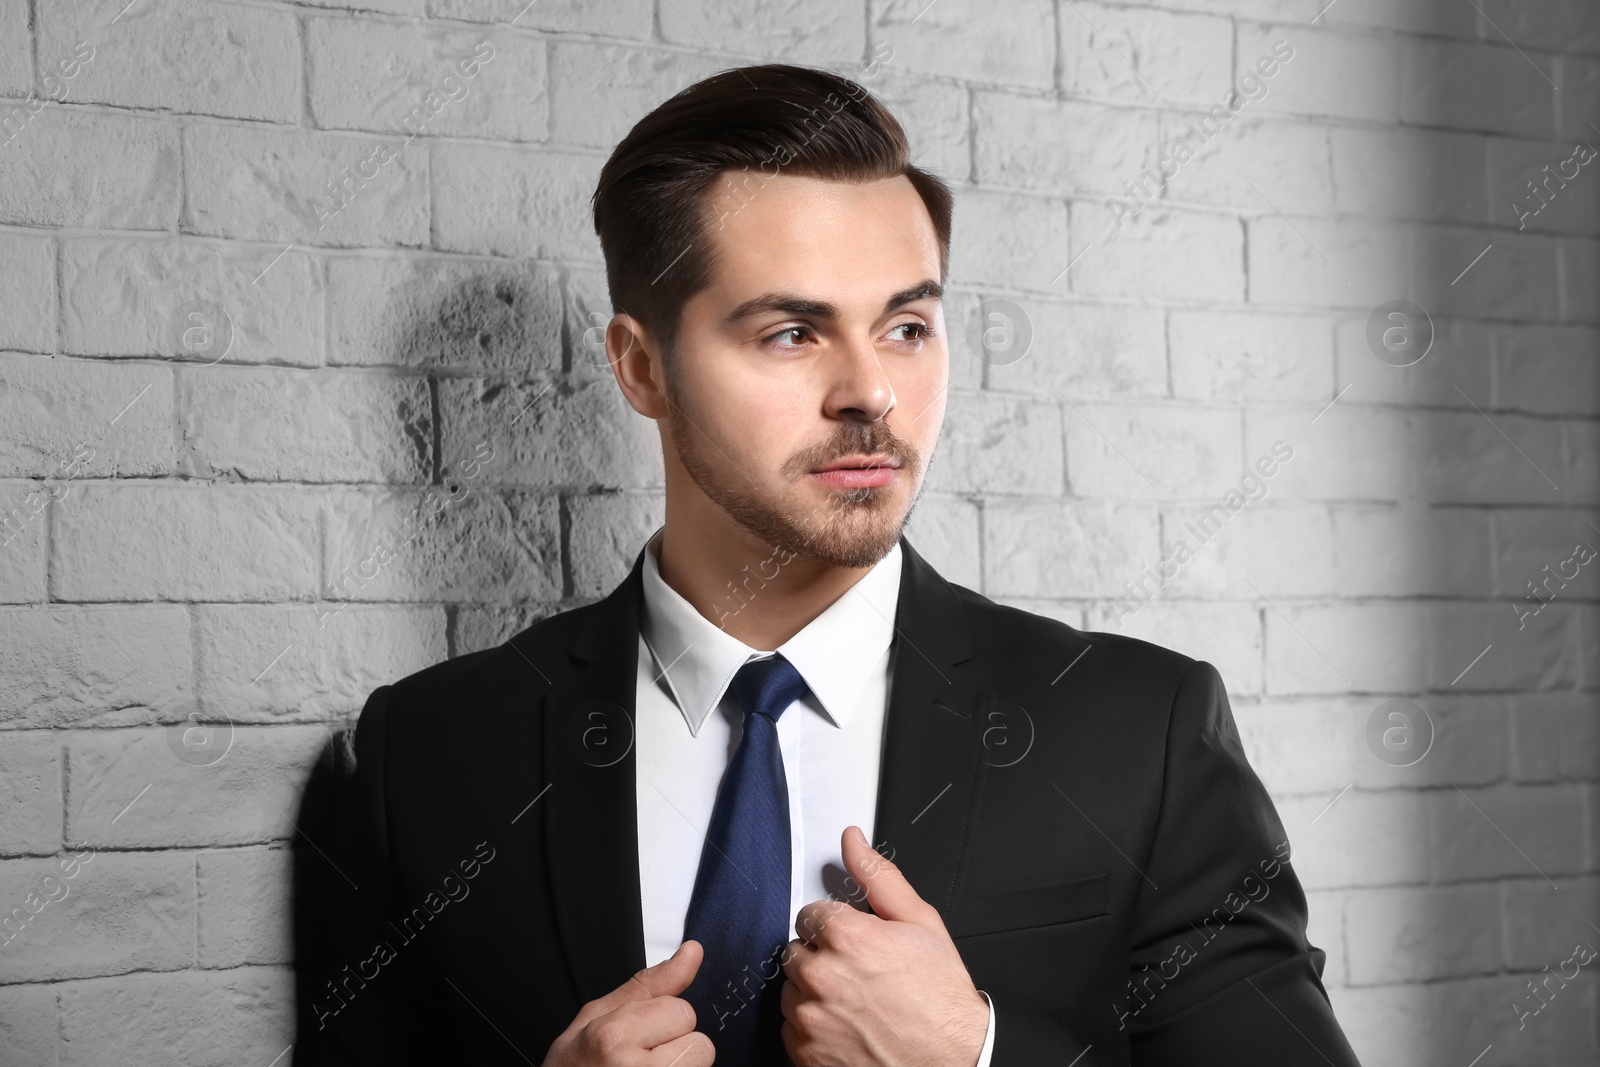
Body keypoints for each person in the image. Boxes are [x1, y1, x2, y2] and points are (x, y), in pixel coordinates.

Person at [303, 62, 1361, 1067]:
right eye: (791, 334)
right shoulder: (424, 764)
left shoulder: (1139, 734)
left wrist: (977, 1052)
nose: (872, 392)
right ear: (640, 366)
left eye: (906, 325)